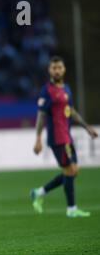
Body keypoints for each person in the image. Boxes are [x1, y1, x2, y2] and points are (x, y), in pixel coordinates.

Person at [31, 56, 98, 217]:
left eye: (59, 67)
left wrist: (86, 127)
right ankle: (71, 209)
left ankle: (39, 192)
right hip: (57, 138)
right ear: (49, 70)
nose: (57, 70)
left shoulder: (66, 88)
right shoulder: (47, 91)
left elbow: (71, 111)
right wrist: (38, 138)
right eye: (54, 68)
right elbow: (41, 115)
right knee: (70, 170)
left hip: (67, 136)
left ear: (64, 69)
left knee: (73, 171)